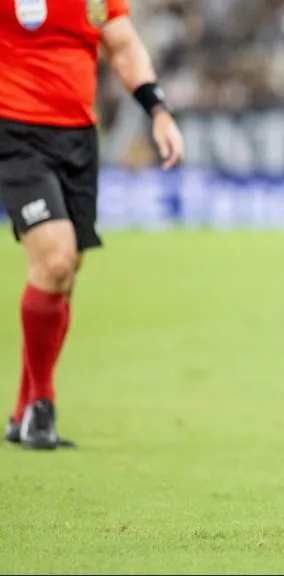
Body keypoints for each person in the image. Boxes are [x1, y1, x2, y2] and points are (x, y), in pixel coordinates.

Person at [1, 0, 184, 450]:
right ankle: (42, 405)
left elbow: (121, 46)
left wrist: (157, 111)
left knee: (64, 275)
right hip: (15, 131)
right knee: (57, 262)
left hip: (79, 140)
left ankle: (23, 410)